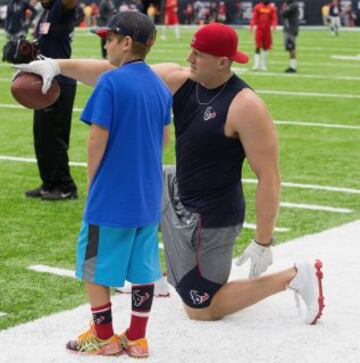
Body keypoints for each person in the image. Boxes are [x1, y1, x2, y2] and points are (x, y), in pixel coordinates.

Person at [14, 23, 325, 326]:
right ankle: (152, 275)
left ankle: (295, 276)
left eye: (198, 54)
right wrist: (55, 65)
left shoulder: (246, 106)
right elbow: (115, 76)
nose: (189, 58)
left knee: (202, 309)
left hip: (211, 215)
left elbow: (268, 176)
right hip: (176, 185)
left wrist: (263, 241)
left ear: (222, 62)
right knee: (131, 180)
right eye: (191, 50)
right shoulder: (181, 79)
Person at [25, 0, 78, 201]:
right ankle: (49, 183)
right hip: (43, 82)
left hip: (60, 82)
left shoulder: (61, 8)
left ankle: (66, 186)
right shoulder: (45, 12)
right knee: (41, 135)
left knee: (55, 137)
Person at [250, 0, 277, 71]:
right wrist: (252, 26)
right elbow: (254, 17)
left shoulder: (271, 8)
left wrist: (274, 26)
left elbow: (274, 18)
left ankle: (263, 65)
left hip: (267, 30)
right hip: (259, 29)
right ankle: (256, 65)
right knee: (257, 46)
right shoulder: (258, 7)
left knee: (265, 47)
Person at [280, 0, 299, 73]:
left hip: (290, 29)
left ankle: (293, 67)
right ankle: (291, 66)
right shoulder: (289, 5)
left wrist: (284, 8)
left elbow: (283, 13)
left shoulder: (293, 5)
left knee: (292, 47)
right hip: (288, 28)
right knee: (290, 48)